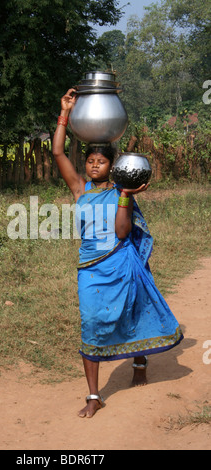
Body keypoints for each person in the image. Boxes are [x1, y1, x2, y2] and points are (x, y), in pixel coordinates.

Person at [52, 89, 184, 419]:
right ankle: (94, 396)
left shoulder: (119, 193)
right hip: (91, 269)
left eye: (101, 161)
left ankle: (139, 360)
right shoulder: (79, 190)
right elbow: (57, 152)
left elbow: (123, 232)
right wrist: (65, 113)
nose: (94, 164)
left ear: (112, 167)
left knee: (132, 311)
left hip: (120, 261)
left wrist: (125, 194)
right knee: (92, 322)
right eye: (90, 161)